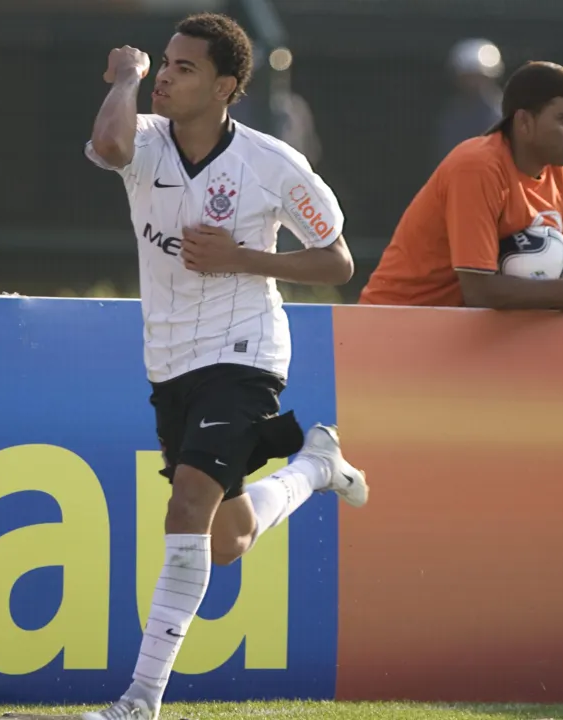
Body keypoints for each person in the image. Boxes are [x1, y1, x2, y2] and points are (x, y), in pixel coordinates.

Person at [82, 13, 369, 720]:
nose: (168, 77)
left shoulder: (271, 163)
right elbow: (108, 142)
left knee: (186, 504)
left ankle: (140, 700)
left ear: (226, 86)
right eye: (167, 64)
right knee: (226, 537)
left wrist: (245, 257)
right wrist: (126, 75)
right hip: (170, 360)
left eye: (185, 68)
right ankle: (314, 466)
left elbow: (338, 261)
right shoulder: (145, 138)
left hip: (246, 354)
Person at [360, 61, 563, 309]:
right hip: (397, 322)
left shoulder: (562, 172)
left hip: (478, 330)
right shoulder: (478, 167)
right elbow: (480, 292)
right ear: (524, 123)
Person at [435, 38, 505, 166]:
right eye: (468, 77)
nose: (473, 83)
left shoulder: (502, 113)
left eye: (478, 77)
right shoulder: (453, 113)